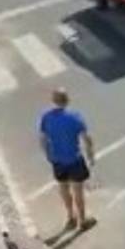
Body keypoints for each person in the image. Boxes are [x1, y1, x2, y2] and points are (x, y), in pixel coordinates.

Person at [39, 88, 97, 233]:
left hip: (57, 160)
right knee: (78, 191)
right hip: (74, 159)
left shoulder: (46, 117)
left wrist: (48, 155)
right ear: (67, 100)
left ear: (53, 100)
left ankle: (70, 216)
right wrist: (91, 156)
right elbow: (87, 139)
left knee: (63, 187)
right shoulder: (75, 117)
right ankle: (82, 221)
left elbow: (43, 139)